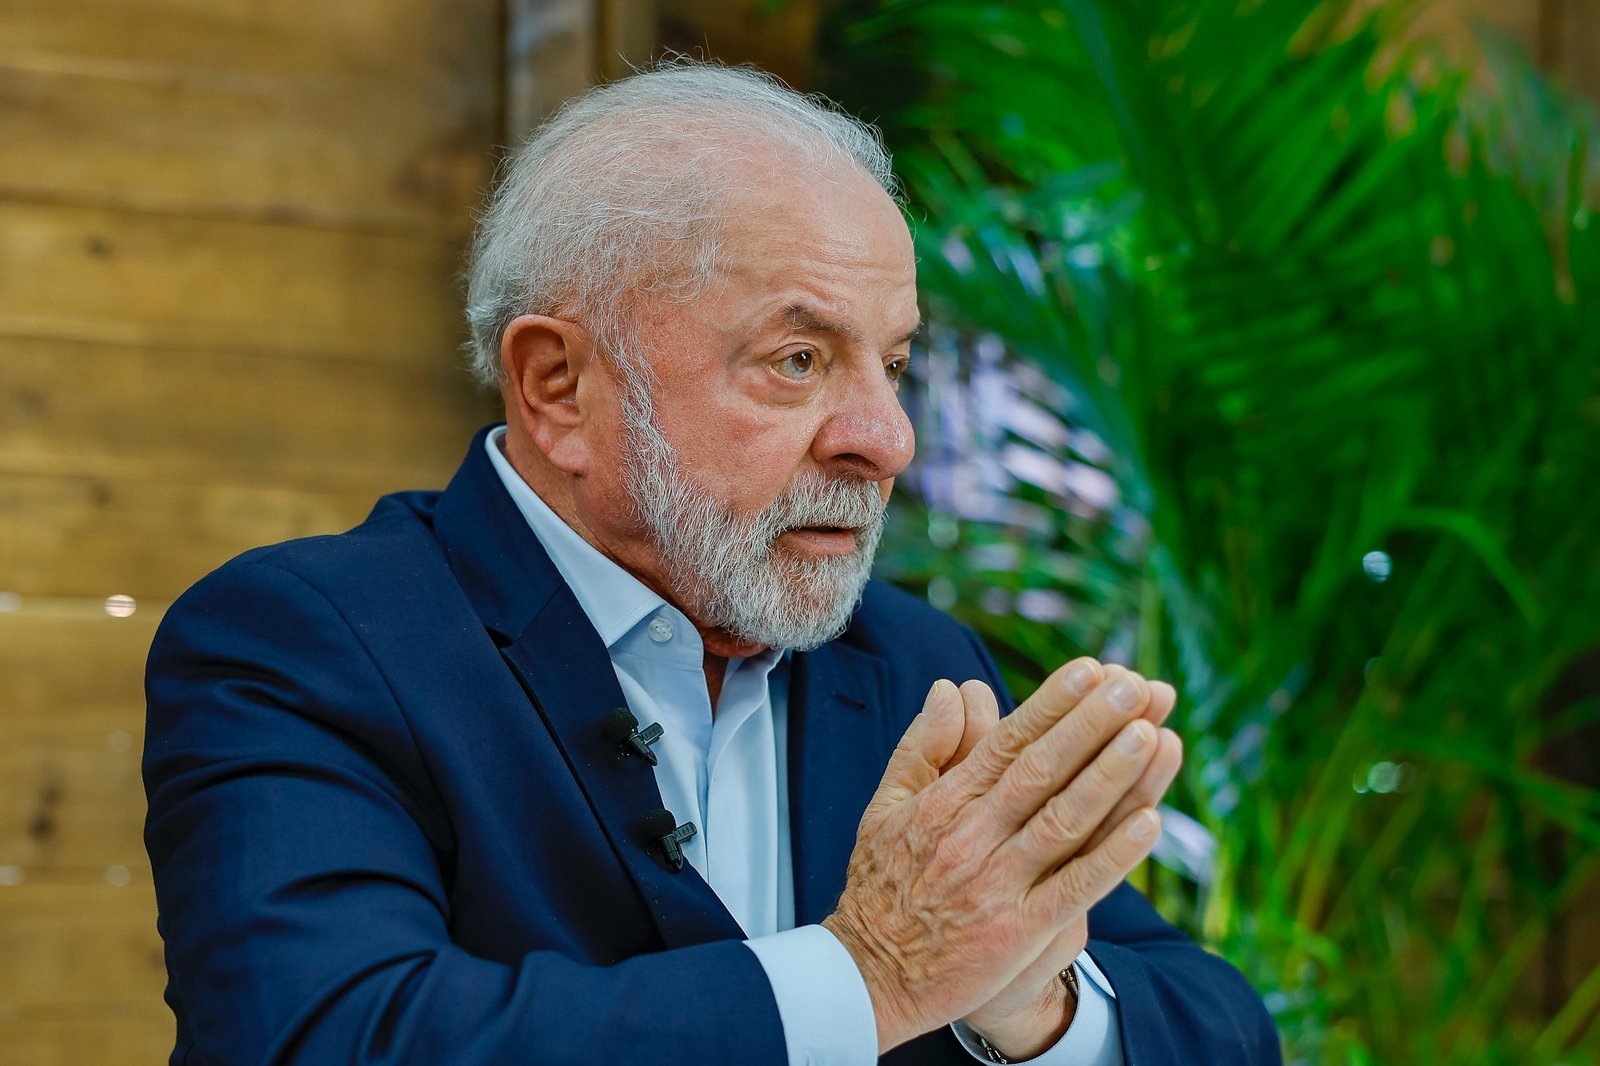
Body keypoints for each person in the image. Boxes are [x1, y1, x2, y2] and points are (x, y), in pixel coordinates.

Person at [143, 62, 1279, 1065]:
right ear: (559, 388)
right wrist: (877, 976)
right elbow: (322, 1037)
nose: (887, 440)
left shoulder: (914, 663)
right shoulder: (301, 642)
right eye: (799, 359)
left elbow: (1216, 1023)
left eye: (893, 364)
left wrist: (1032, 1007)